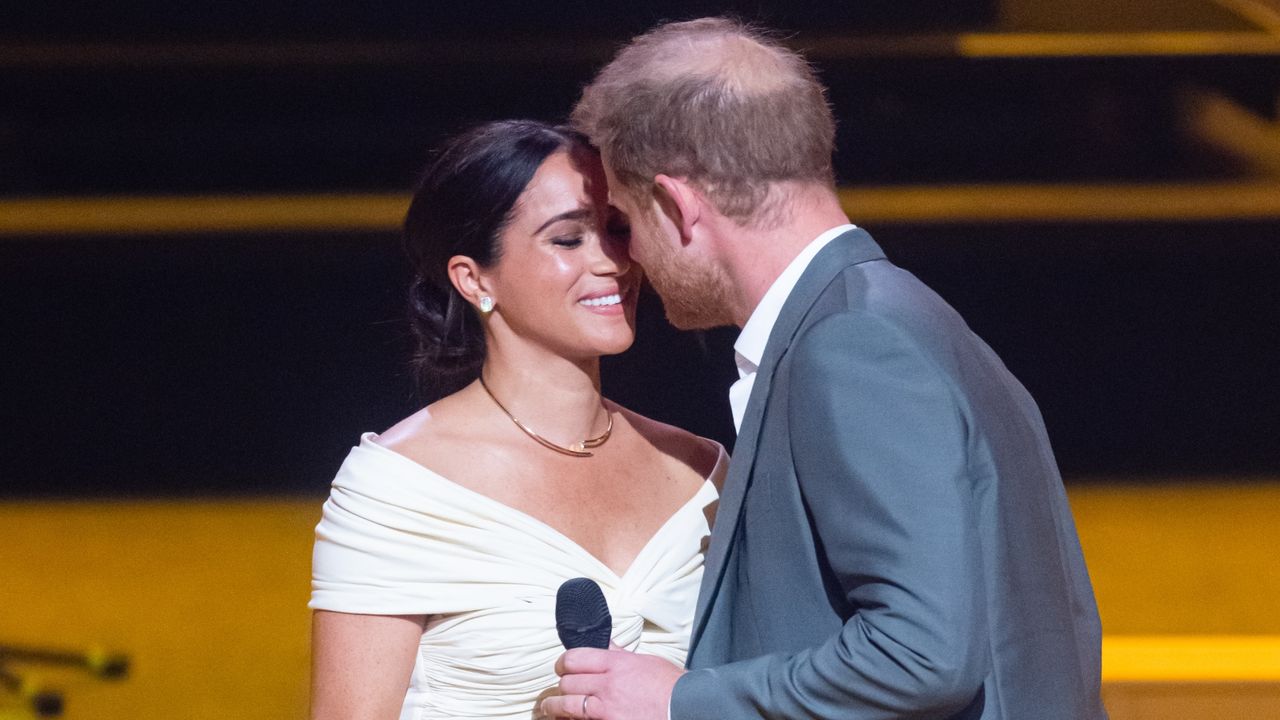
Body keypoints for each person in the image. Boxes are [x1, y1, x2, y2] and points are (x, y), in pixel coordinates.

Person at [542, 18, 1106, 720]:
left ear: (677, 206)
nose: (627, 260)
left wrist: (682, 700)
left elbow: (922, 655)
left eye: (625, 222)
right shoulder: (904, 318)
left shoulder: (853, 345)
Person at [308, 120, 725, 720]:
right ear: (474, 278)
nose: (611, 261)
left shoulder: (701, 472)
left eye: (615, 229)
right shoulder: (397, 489)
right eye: (567, 240)